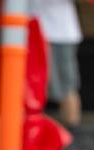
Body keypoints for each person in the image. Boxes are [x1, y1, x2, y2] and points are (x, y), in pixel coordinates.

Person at [32, 0, 83, 128]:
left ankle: (71, 130)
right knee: (36, 85)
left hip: (58, 34)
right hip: (34, 33)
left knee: (65, 86)